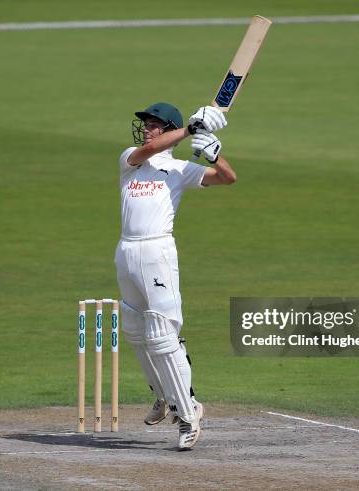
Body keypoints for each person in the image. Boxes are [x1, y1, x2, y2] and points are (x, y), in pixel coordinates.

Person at [115, 102, 236, 449]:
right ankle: (164, 396)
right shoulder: (131, 159)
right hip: (125, 249)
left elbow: (228, 178)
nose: (148, 130)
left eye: (155, 125)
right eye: (147, 125)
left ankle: (188, 414)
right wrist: (190, 129)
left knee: (163, 336)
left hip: (158, 252)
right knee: (136, 331)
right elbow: (150, 148)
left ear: (168, 128)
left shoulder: (181, 170)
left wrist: (214, 155)